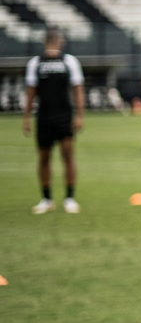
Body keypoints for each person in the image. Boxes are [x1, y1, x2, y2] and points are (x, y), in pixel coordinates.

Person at [23, 29, 84, 214]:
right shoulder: (36, 63)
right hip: (44, 116)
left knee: (67, 155)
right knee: (44, 157)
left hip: (63, 115)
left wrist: (79, 114)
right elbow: (31, 92)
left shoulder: (69, 61)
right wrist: (26, 117)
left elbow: (77, 89)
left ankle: (69, 198)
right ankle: (47, 199)